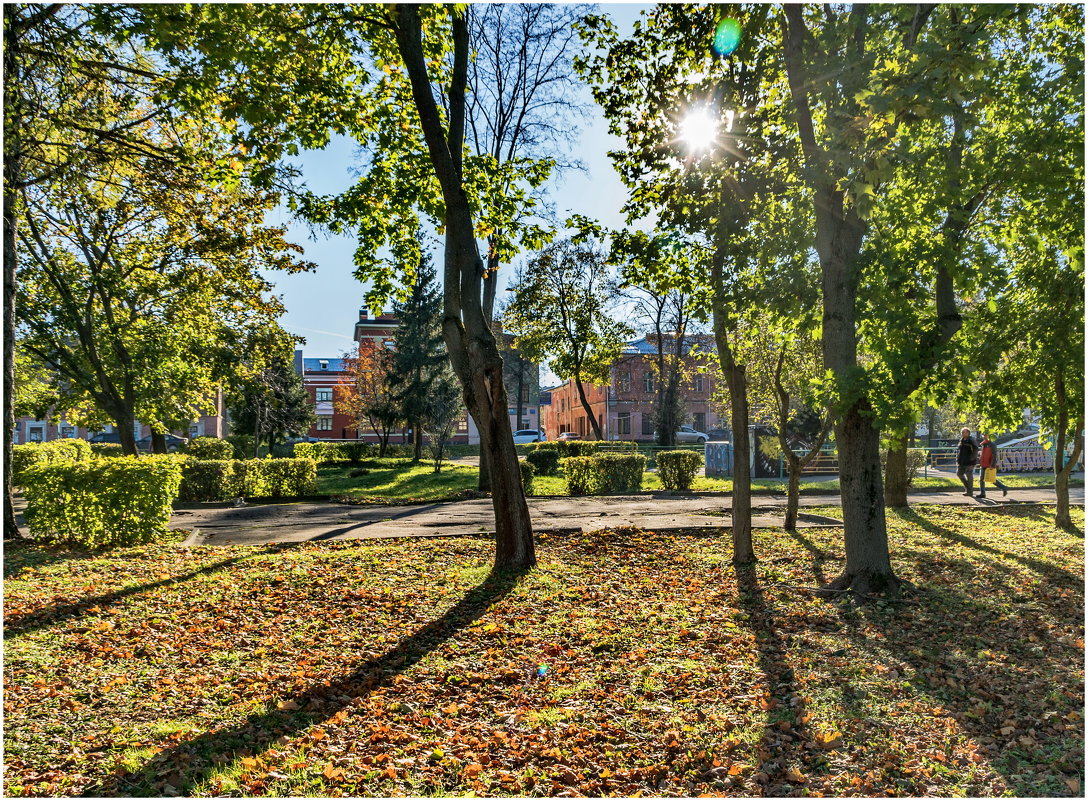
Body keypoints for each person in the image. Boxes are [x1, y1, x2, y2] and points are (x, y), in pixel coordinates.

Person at [978, 433, 1009, 498]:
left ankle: (1004, 487)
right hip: (983, 464)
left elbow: (994, 456)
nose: (984, 436)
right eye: (983, 435)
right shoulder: (983, 444)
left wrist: (992, 465)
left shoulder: (992, 444)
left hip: (989, 465)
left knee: (992, 479)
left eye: (985, 435)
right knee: (982, 479)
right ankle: (982, 493)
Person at [956, 427, 978, 496]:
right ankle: (968, 488)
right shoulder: (962, 440)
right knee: (959, 474)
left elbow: (975, 450)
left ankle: (970, 491)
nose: (962, 433)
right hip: (961, 461)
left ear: (968, 433)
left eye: (964, 432)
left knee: (969, 476)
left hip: (969, 462)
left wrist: (971, 459)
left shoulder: (971, 440)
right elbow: (959, 450)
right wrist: (958, 459)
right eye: (962, 432)